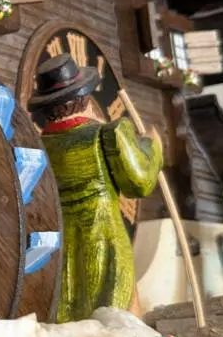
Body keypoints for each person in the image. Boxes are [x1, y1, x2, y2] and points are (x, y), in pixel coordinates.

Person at [31, 55, 162, 322]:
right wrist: (153, 147)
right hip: (105, 238)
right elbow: (140, 182)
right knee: (119, 308)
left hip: (66, 248)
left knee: (73, 305)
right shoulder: (105, 135)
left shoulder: (41, 147)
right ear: (84, 98)